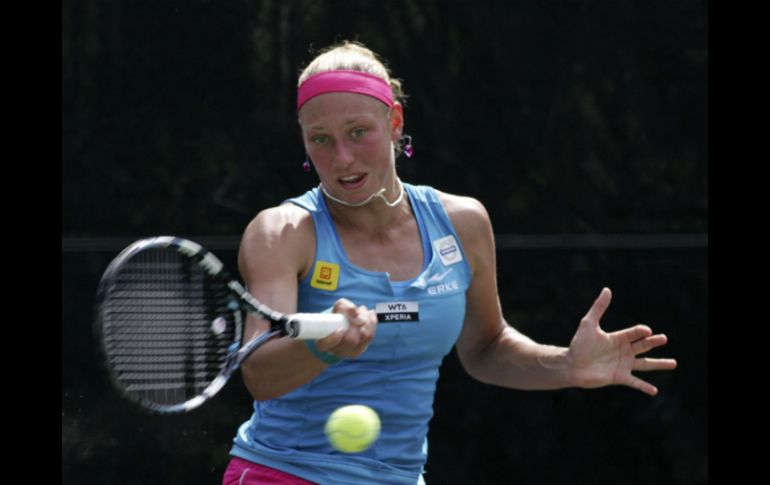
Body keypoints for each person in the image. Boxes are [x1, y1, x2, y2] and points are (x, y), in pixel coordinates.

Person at [223, 40, 677, 485]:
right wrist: (323, 346)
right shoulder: (281, 233)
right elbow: (259, 374)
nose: (342, 158)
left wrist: (566, 366)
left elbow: (486, 346)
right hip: (282, 474)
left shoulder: (462, 223)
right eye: (320, 139)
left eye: (358, 131)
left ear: (394, 121)